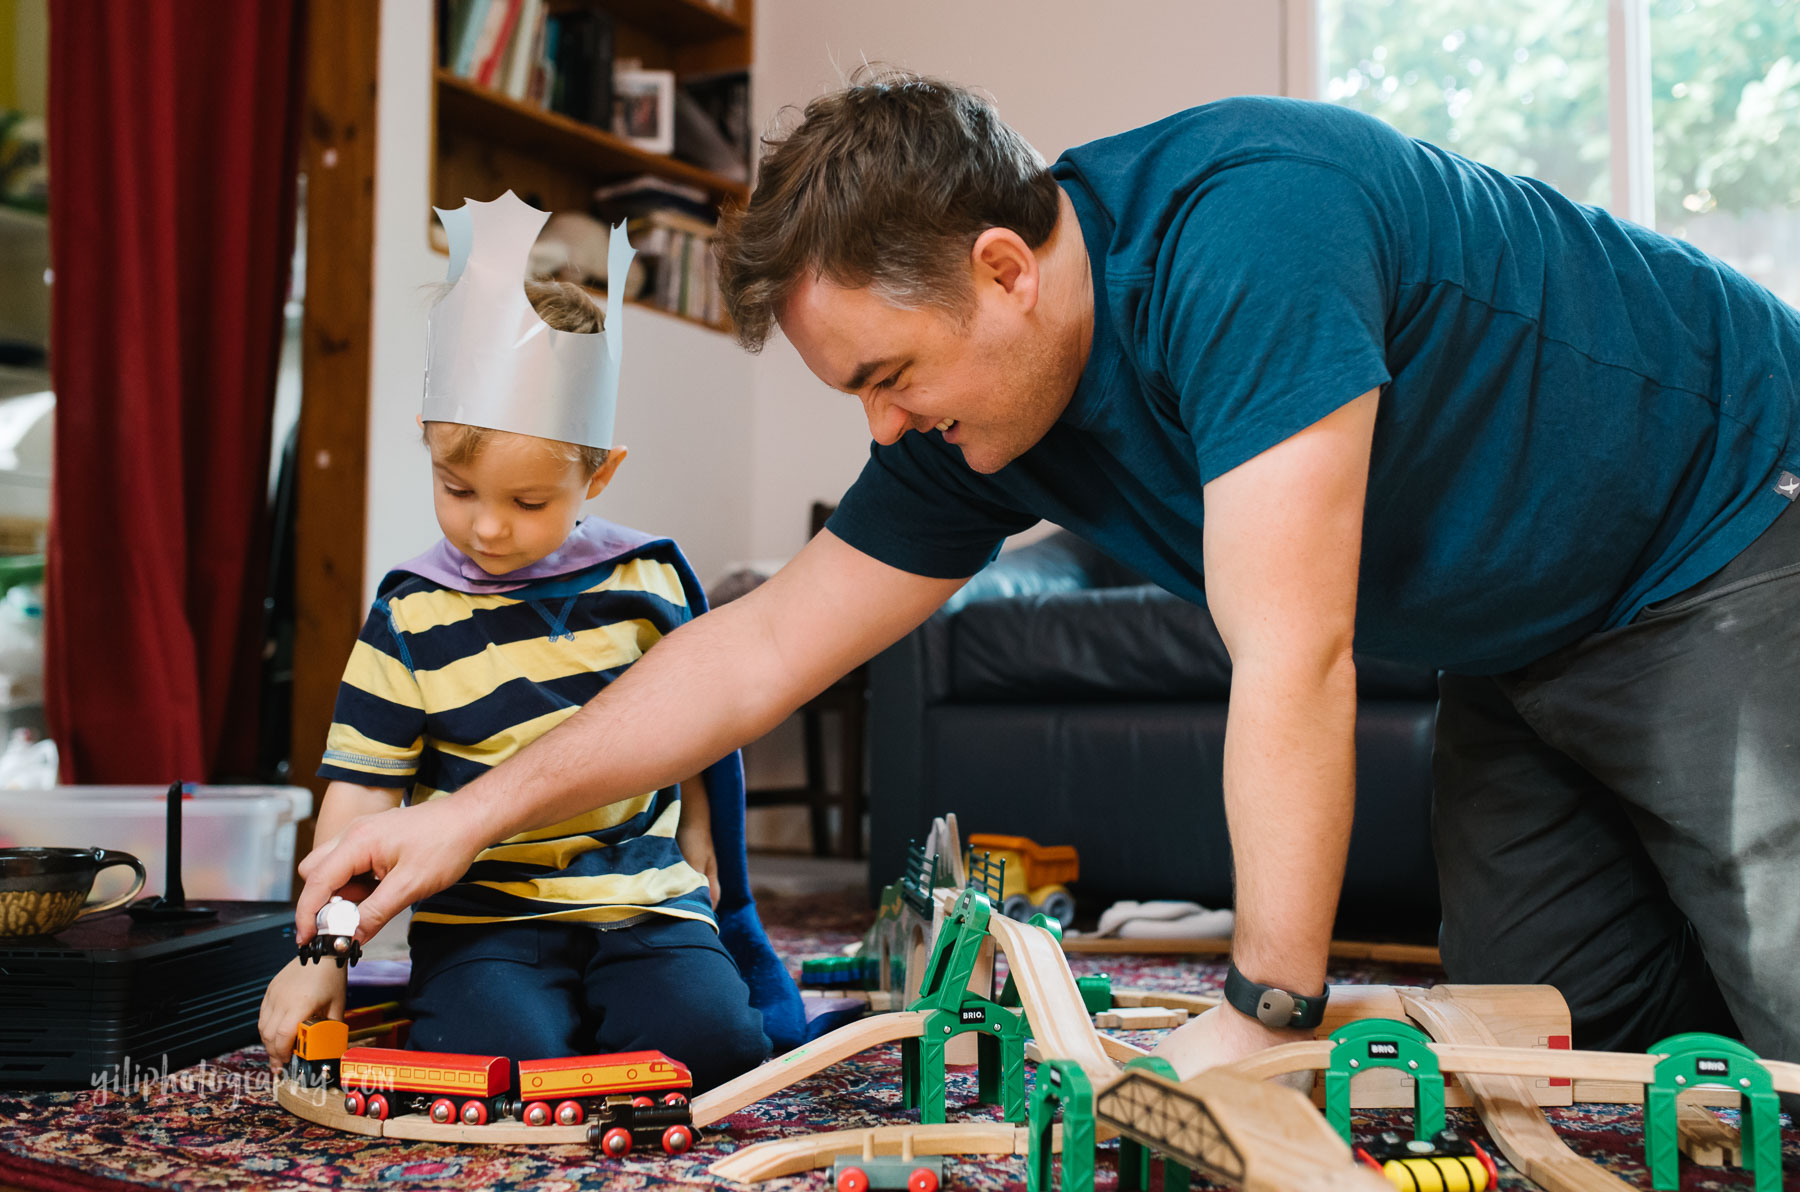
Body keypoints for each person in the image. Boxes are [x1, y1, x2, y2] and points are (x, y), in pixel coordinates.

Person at [298, 73, 1800, 1079]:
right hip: (1513, 637)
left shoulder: (1250, 231)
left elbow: (1295, 656)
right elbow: (757, 655)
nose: (884, 430)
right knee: (1566, 1059)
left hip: (1727, 520)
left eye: (889, 376)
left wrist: (1265, 1010)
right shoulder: (979, 411)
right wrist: (462, 815)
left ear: (1006, 269)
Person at [262, 193, 794, 1090]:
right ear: (429, 447)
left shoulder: (649, 586)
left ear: (599, 471)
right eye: (456, 487)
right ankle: (555, 1028)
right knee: (497, 1063)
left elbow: (703, 725)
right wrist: (326, 949)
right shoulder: (409, 615)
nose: (489, 530)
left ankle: (610, 1017)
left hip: (642, 900)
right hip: (486, 916)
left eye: (529, 503)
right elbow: (358, 802)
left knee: (718, 1051)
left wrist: (700, 829)